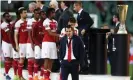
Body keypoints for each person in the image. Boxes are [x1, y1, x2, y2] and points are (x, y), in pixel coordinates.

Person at [73, 1, 94, 74]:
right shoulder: (78, 15)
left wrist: (85, 29)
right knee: (81, 52)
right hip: (80, 36)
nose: (74, 8)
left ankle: (85, 68)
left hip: (84, 37)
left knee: (83, 52)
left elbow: (91, 22)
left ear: (78, 6)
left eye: (75, 6)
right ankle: (83, 68)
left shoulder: (85, 14)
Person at [41, 8, 59, 80]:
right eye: (52, 12)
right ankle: (45, 76)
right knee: (47, 59)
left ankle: (47, 76)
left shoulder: (55, 22)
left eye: (54, 12)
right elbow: (50, 33)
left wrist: (57, 42)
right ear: (49, 13)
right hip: (47, 42)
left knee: (52, 60)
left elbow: (55, 32)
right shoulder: (45, 22)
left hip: (53, 43)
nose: (54, 14)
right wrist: (59, 35)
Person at [1, 12, 19, 80]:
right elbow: (9, 34)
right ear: (4, 18)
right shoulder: (3, 25)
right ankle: (7, 75)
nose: (9, 17)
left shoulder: (11, 23)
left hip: (11, 43)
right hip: (6, 43)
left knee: (12, 60)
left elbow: (16, 23)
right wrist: (14, 45)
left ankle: (6, 72)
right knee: (7, 59)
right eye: (7, 16)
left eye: (9, 16)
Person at [14, 7, 28, 80]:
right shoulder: (18, 23)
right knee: (21, 59)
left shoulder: (28, 21)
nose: (26, 14)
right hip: (22, 44)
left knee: (30, 59)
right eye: (25, 12)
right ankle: (20, 76)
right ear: (21, 14)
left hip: (28, 44)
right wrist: (16, 45)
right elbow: (15, 35)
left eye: (26, 12)